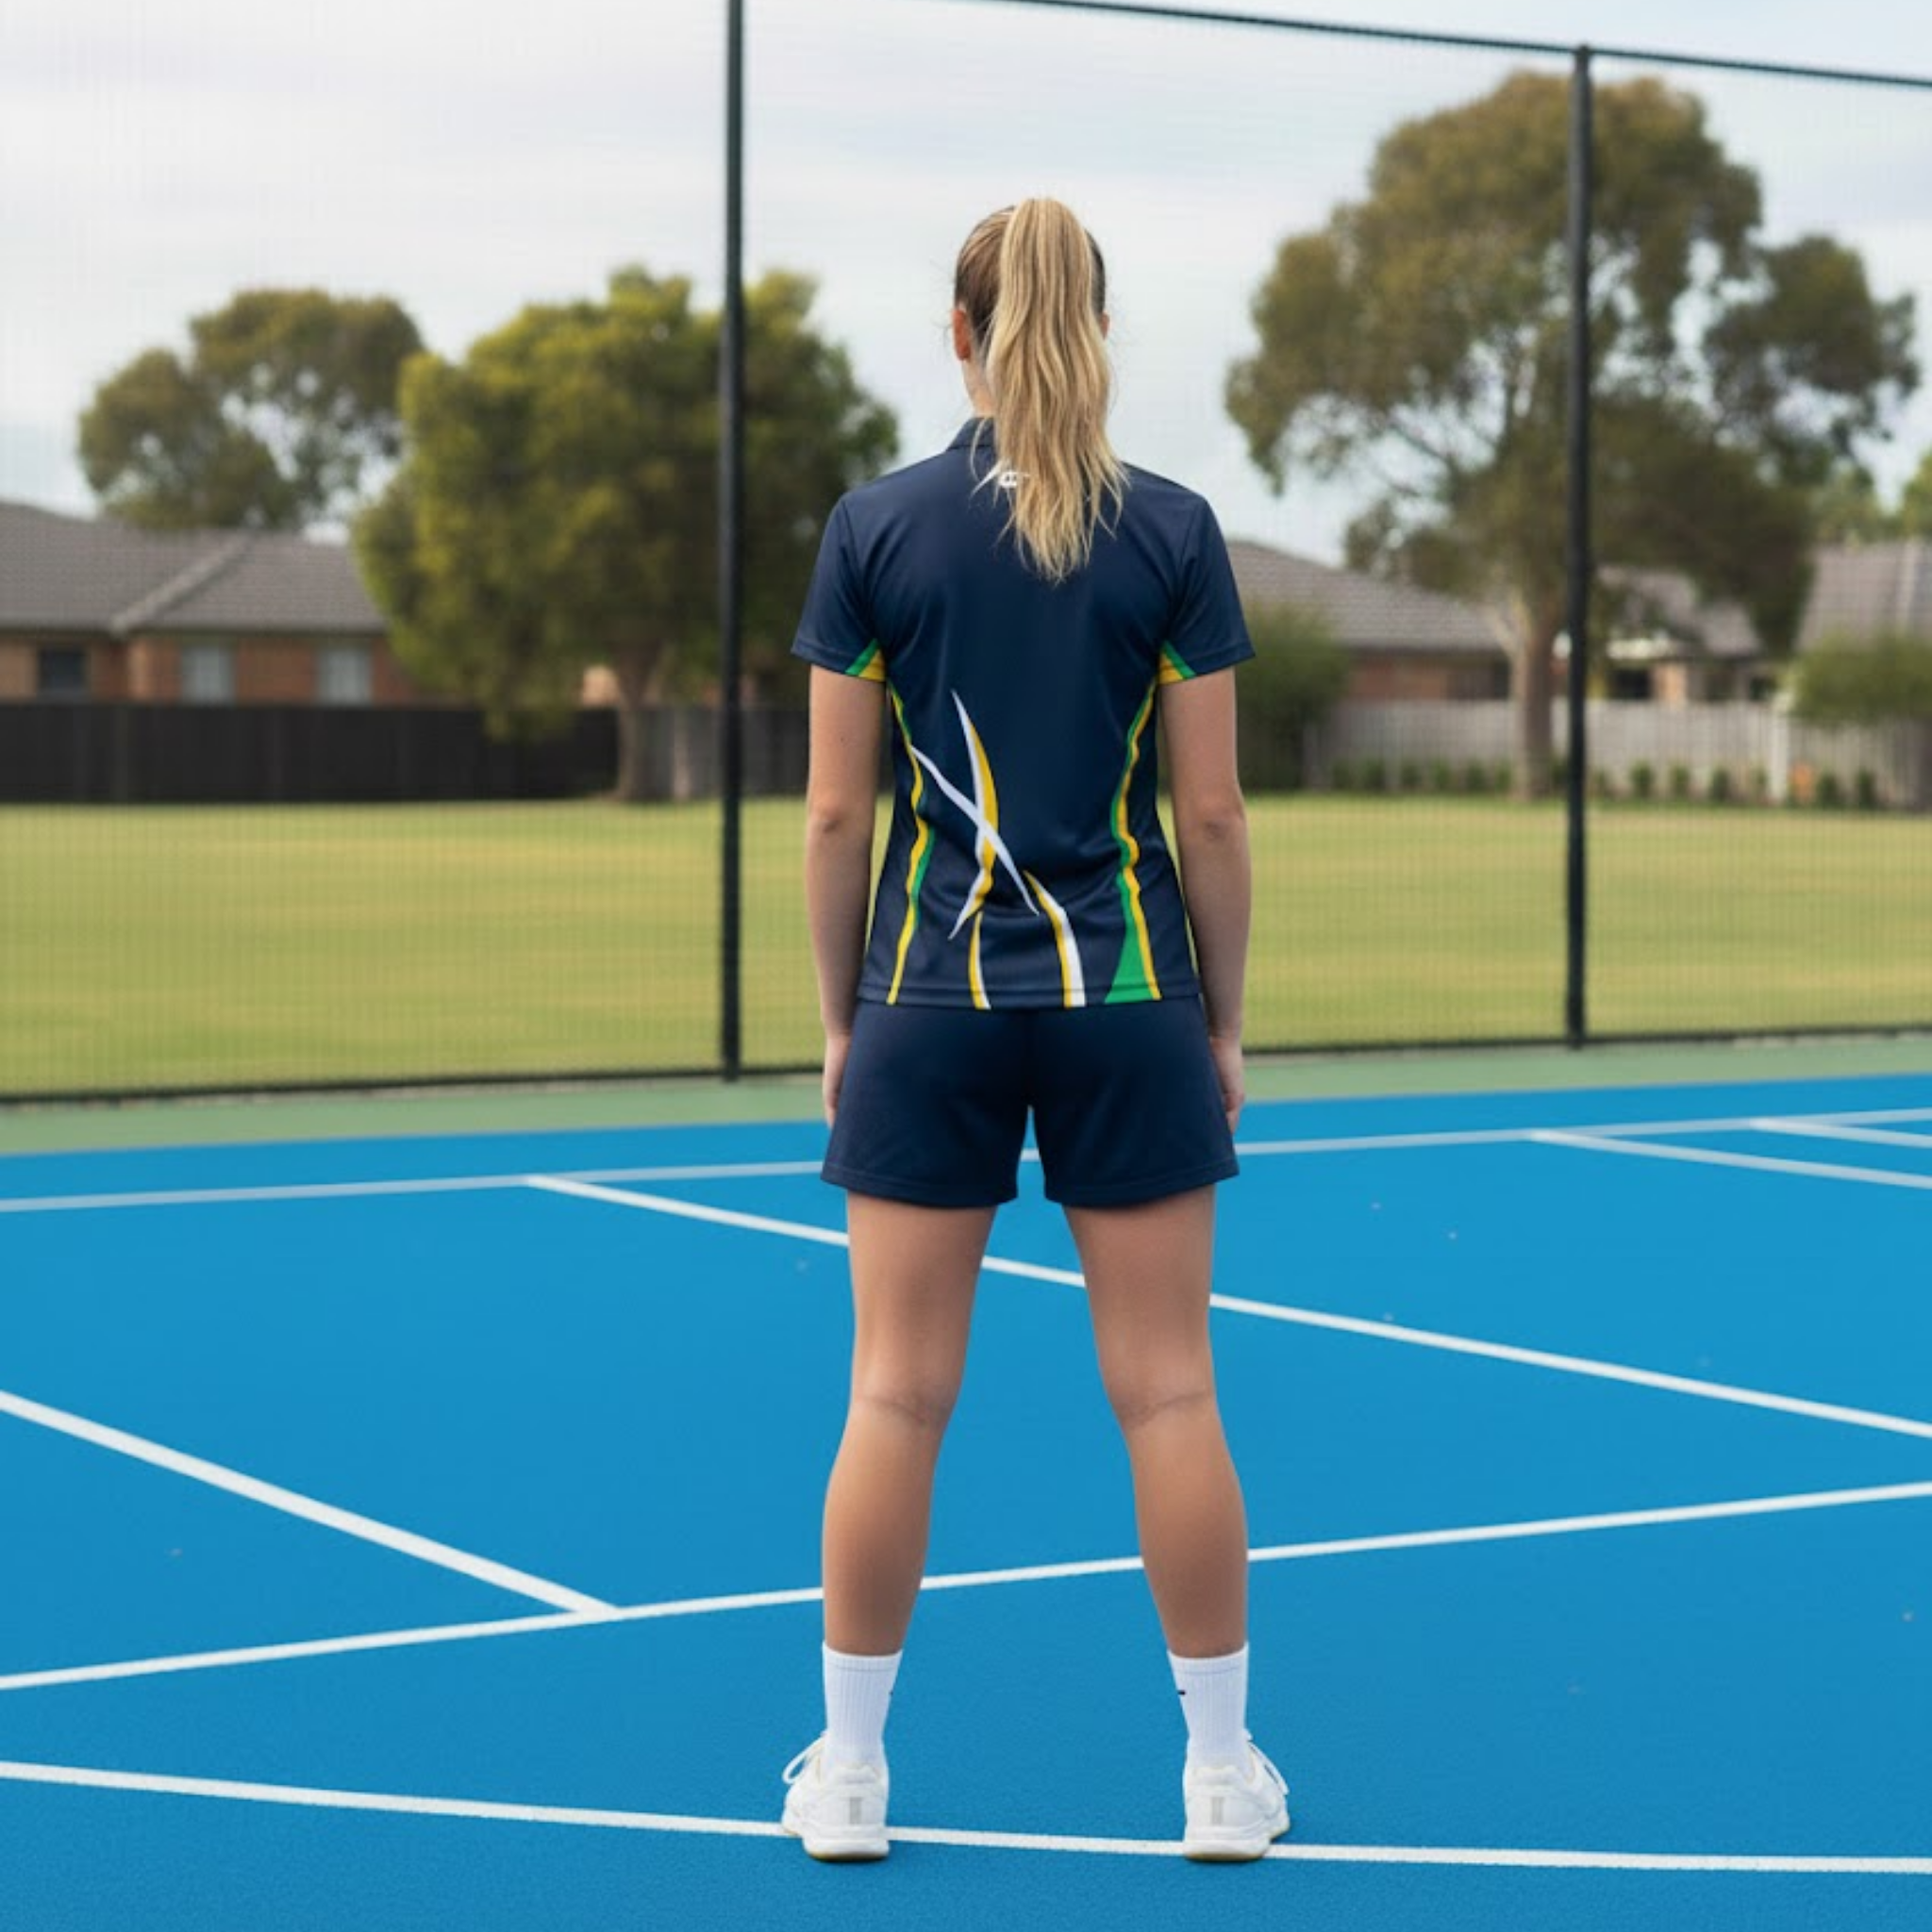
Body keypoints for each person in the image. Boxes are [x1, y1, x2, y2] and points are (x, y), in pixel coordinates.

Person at [779, 197, 1287, 1864]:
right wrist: (1221, 1022)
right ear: (1103, 332)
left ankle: (849, 1775)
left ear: (959, 335)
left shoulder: (874, 526)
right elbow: (1209, 819)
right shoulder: (1177, 531)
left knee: (894, 1399)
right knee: (1168, 1397)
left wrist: (843, 1020)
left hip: (926, 1003)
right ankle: (1220, 1776)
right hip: (1125, 1001)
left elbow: (835, 821)